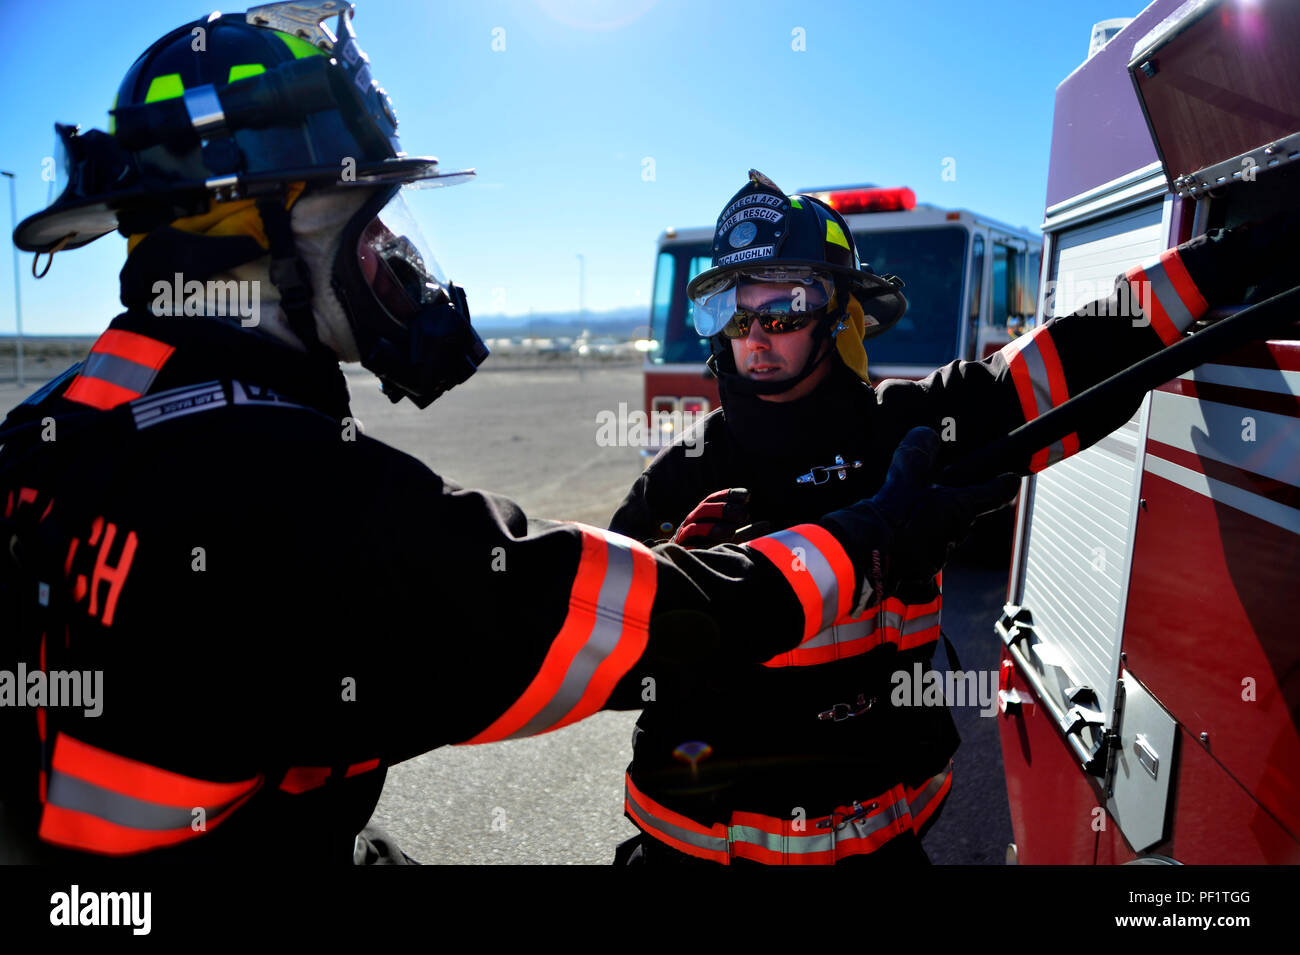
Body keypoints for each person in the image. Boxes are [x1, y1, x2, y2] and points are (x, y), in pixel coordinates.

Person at [0, 6, 1011, 865]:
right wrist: (863, 538)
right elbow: (583, 619)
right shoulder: (284, 489)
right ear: (278, 223)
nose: (394, 256)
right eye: (372, 220)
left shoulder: (50, 429)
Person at [609, 169, 1294, 865]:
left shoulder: (909, 432)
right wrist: (687, 579)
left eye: (782, 308)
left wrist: (1227, 256)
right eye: (733, 311)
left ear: (838, 312)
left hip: (879, 849)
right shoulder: (683, 475)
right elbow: (592, 638)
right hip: (693, 852)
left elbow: (1072, 361)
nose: (755, 335)